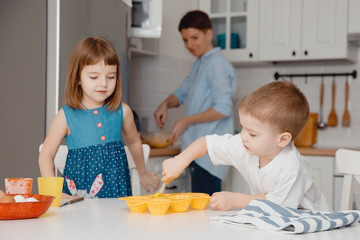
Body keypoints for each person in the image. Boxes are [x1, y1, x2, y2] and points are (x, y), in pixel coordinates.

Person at [161, 80, 331, 212]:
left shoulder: (291, 166)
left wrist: (235, 200)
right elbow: (207, 142)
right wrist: (180, 160)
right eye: (243, 127)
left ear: (282, 140)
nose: (243, 136)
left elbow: (279, 207)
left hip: (312, 222)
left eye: (253, 133)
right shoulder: (245, 144)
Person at [39, 37, 159, 198]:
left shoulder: (123, 111)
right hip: (78, 205)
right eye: (94, 77)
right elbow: (46, 154)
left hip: (117, 200)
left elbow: (133, 141)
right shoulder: (65, 116)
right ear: (77, 78)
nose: (104, 83)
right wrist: (54, 193)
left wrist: (143, 174)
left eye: (111, 77)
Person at [154, 10, 236, 195]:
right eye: (185, 40)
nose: (189, 45)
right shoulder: (200, 63)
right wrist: (165, 104)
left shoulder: (217, 64)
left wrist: (185, 121)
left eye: (195, 38)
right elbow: (181, 93)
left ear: (209, 33)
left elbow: (223, 109)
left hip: (210, 156)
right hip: (199, 154)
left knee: (207, 212)